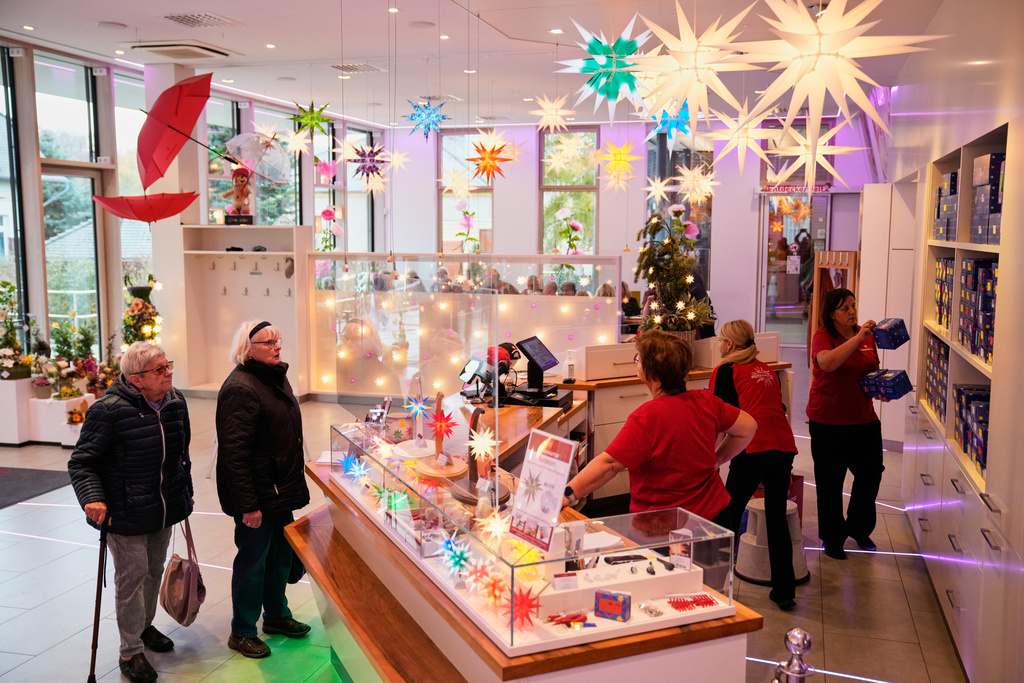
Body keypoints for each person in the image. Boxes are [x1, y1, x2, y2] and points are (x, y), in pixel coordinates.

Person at [68, 342, 192, 683]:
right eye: (159, 369)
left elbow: (182, 454)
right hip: (123, 514)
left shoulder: (175, 402)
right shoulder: (107, 411)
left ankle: (145, 626)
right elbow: (82, 463)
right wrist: (93, 498)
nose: (168, 372)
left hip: (162, 508)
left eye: (168, 365)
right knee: (132, 580)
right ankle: (130, 651)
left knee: (153, 572)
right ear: (136, 379)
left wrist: (186, 492)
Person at [562, 331, 756, 523]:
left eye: (638, 358)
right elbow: (748, 427)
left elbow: (609, 465)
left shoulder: (646, 417)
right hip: (715, 516)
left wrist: (567, 494)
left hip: (665, 528)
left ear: (652, 371)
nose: (636, 362)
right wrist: (718, 459)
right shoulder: (706, 400)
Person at [216, 320, 312, 659]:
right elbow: (234, 454)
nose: (277, 346)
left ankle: (276, 616)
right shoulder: (241, 388)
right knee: (253, 564)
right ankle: (242, 631)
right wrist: (248, 505)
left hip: (279, 490)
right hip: (257, 496)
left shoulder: (273, 376)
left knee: (280, 557)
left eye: (278, 339)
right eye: (268, 341)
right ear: (247, 348)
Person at [710, 320, 799, 611]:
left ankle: (716, 586)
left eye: (721, 340)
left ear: (731, 345)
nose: (718, 344)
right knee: (776, 516)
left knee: (729, 515)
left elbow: (718, 417)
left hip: (753, 447)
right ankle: (784, 590)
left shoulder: (725, 371)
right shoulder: (768, 370)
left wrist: (711, 458)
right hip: (783, 446)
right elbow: (780, 409)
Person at [807, 288, 883, 560]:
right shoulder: (823, 336)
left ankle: (859, 528)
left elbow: (870, 369)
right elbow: (827, 363)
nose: (852, 312)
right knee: (830, 482)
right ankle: (833, 538)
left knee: (871, 474)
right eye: (845, 308)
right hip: (828, 421)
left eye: (853, 305)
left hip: (864, 419)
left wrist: (881, 386)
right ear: (831, 314)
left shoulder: (866, 336)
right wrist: (859, 337)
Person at [336, 317, 403, 396]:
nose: (348, 344)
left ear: (370, 342)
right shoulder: (336, 368)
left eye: (356, 339)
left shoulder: (385, 377)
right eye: (346, 338)